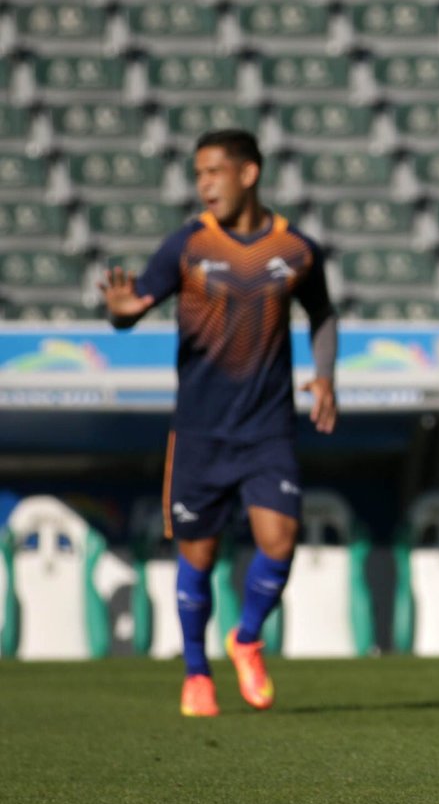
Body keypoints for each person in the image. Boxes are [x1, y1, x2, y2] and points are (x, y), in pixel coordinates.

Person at [100, 129, 338, 717]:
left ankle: (247, 638)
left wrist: (326, 374)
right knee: (199, 557)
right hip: (201, 432)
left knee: (279, 541)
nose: (204, 185)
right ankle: (196, 673)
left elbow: (323, 314)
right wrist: (120, 312)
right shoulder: (186, 246)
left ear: (248, 173)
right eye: (199, 174)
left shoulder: (297, 250)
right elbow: (134, 310)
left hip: (267, 426)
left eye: (214, 172)